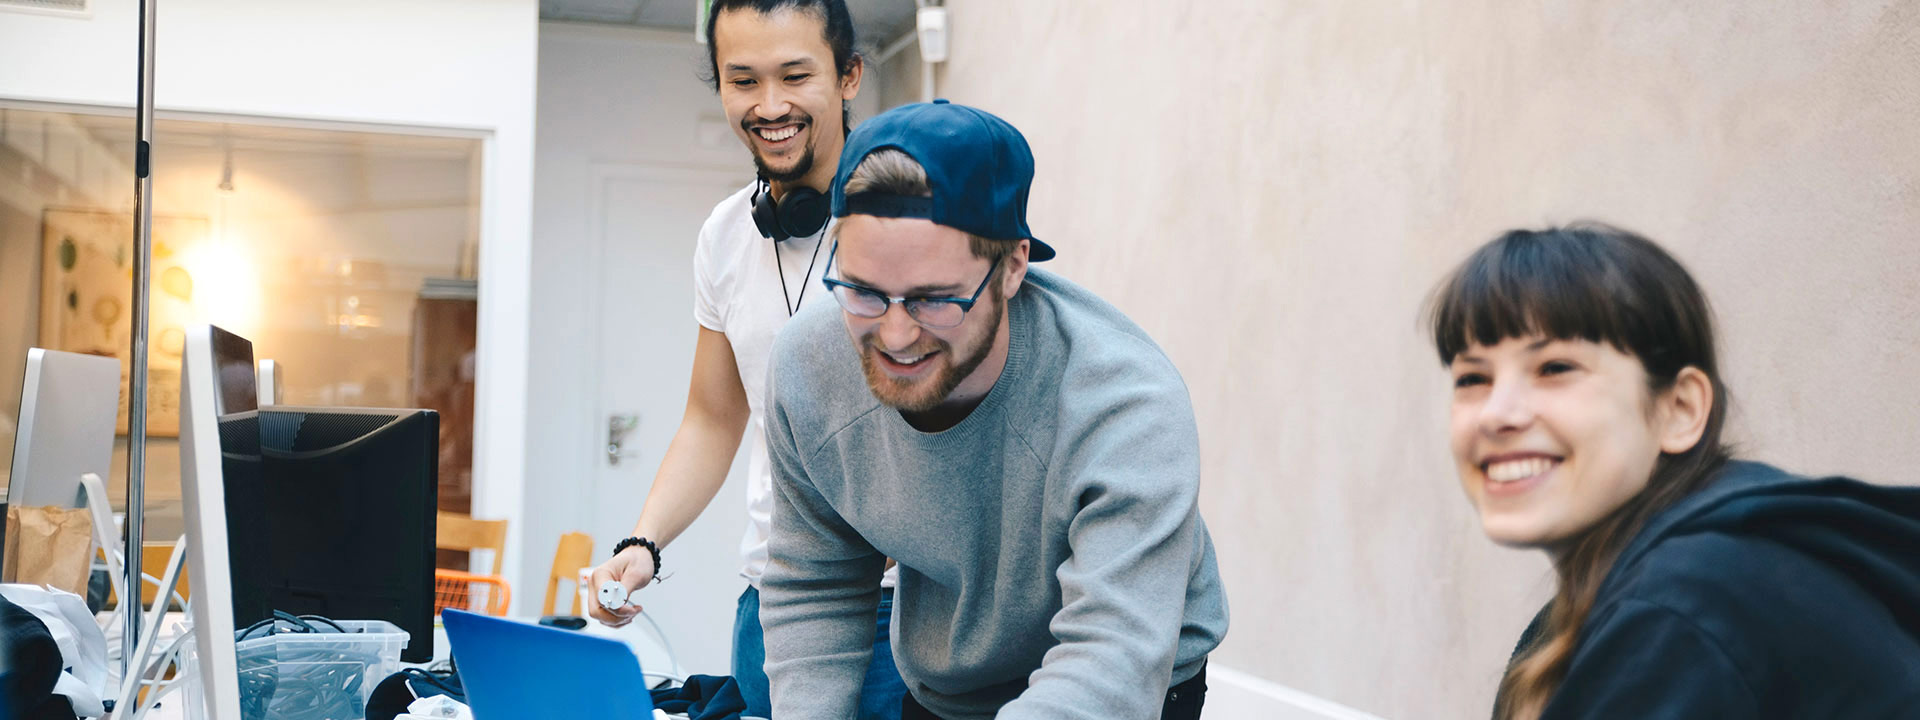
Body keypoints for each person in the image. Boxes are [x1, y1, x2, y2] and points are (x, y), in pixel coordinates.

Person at [759, 100, 1229, 720]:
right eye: (864, 292)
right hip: (950, 685)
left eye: (934, 300)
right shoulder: (808, 368)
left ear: (1012, 267)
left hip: (1125, 683)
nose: (895, 336)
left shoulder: (1127, 406)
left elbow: (1109, 660)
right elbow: (816, 584)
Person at [1426, 223, 1920, 719]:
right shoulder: (1628, 598)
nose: (1496, 413)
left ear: (1680, 410)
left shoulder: (1685, 601)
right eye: (1472, 378)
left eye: (1555, 368)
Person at [585, 2, 906, 717]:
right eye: (743, 81)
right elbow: (712, 419)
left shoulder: (906, 218)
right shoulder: (725, 236)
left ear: (848, 75)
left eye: (795, 76)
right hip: (768, 596)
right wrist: (644, 544)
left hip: (896, 608)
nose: (770, 106)